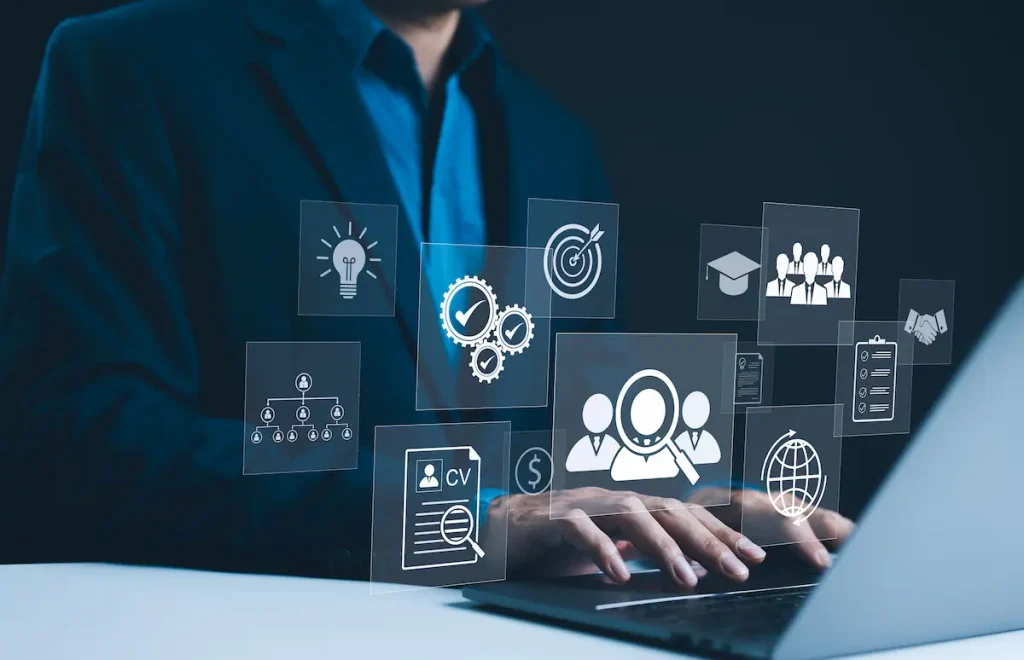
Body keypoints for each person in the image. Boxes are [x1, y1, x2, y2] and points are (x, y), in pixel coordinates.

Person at [0, 0, 851, 586]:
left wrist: (685, 502)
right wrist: (472, 519)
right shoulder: (130, 67)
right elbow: (80, 436)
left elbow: (581, 456)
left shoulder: (557, 142)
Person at [609, 389, 680, 482]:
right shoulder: (625, 452)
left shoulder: (668, 451)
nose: (647, 417)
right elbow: (616, 473)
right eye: (641, 411)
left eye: (653, 412)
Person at [565, 393, 621, 472]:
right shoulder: (580, 446)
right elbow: (570, 466)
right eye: (593, 413)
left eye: (601, 414)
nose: (597, 418)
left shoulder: (613, 444)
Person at [675, 391, 721, 465]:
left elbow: (716, 457)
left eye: (698, 410)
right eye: (690, 410)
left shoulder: (709, 440)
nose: (694, 415)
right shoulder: (680, 439)